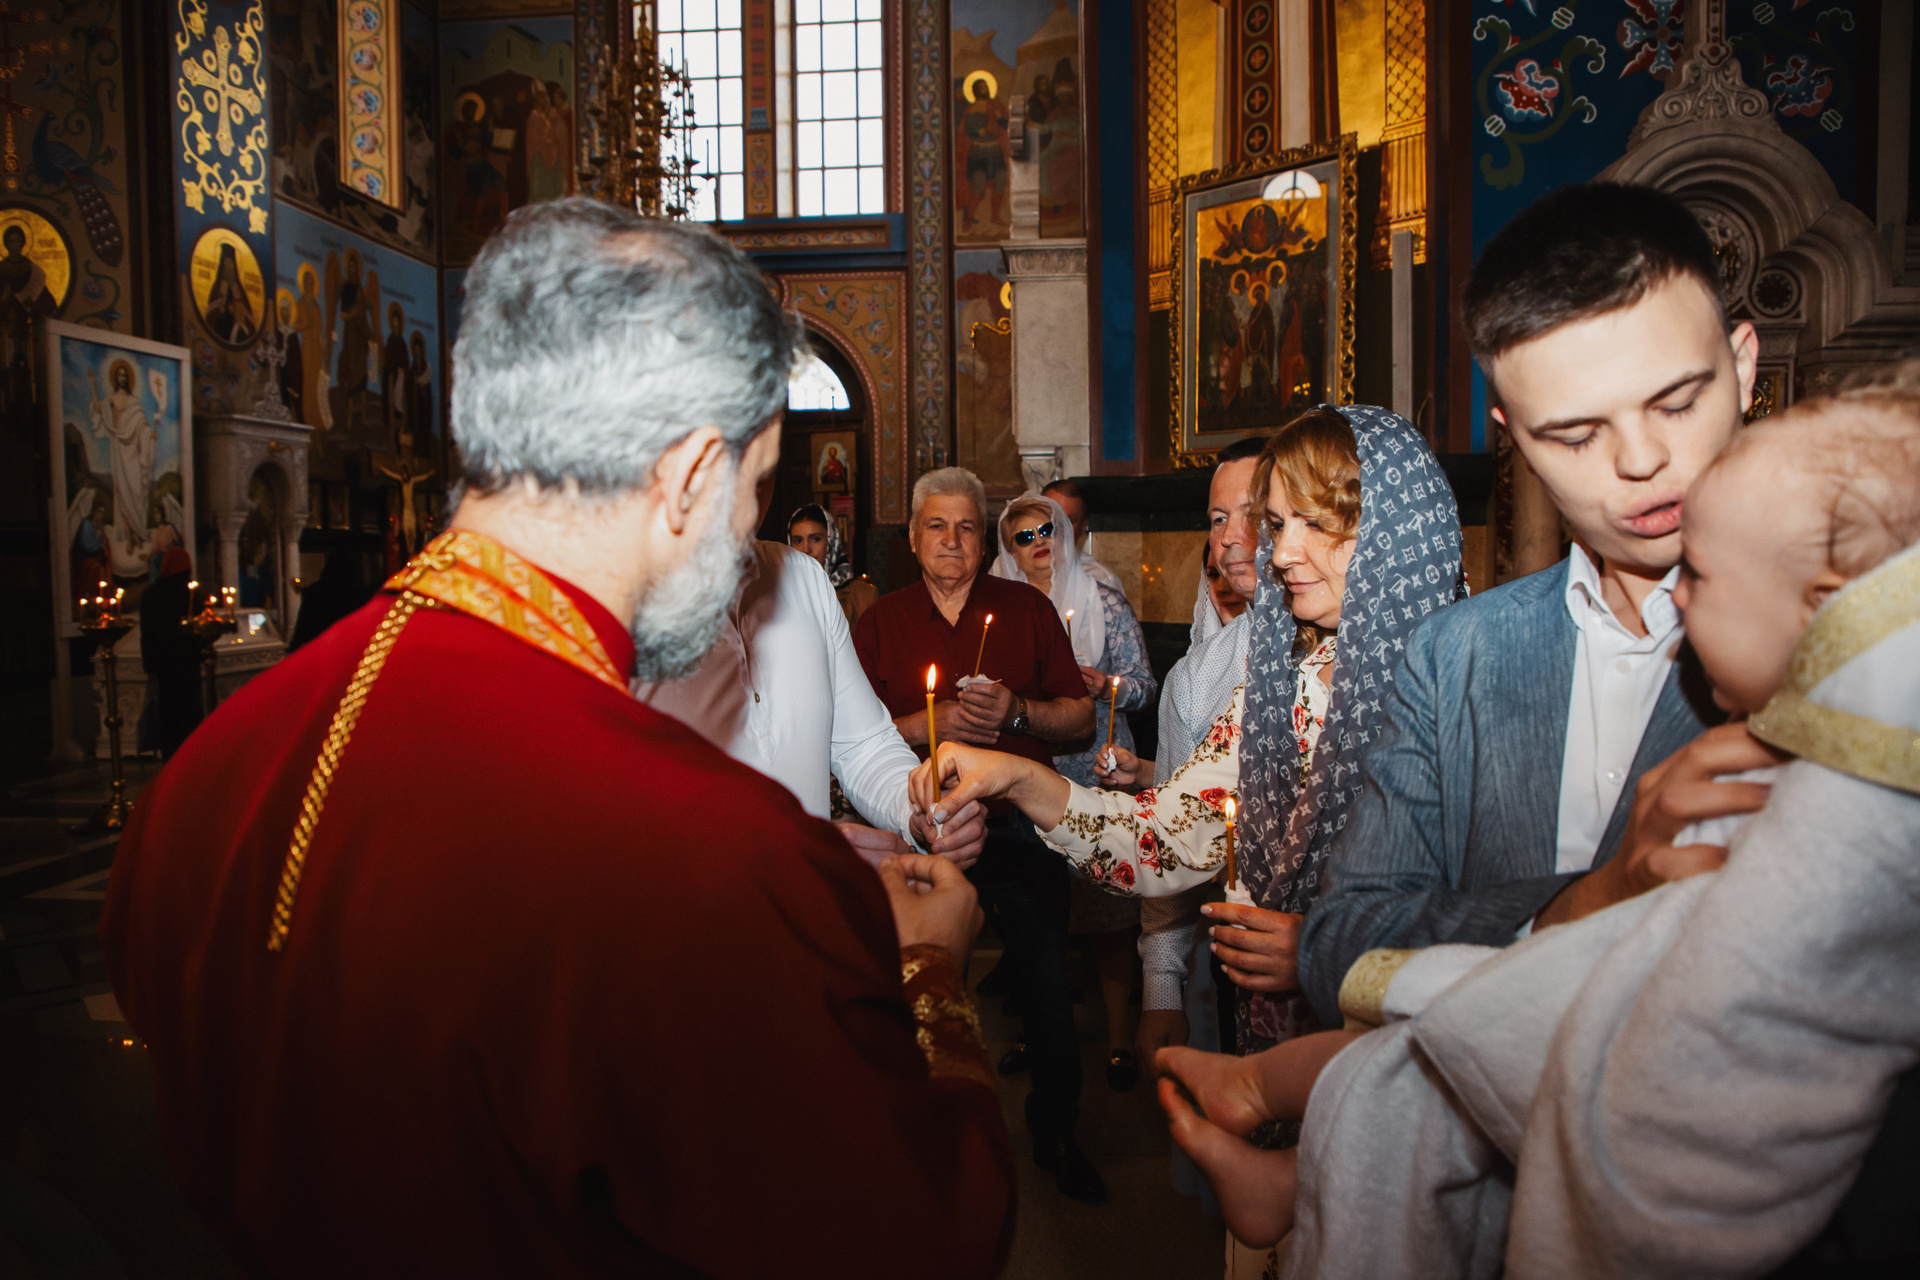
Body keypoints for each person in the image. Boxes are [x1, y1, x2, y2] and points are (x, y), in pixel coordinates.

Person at [100, 200, 1014, 1274]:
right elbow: (918, 1237)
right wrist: (930, 972)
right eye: (755, 485)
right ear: (687, 477)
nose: (749, 533)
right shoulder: (709, 859)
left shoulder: (206, 775)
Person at [1153, 375, 1920, 1276]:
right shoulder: (1447, 655)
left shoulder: (1843, 790)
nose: (1675, 599)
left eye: (1702, 577)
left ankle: (1283, 1145)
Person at [1296, 182, 1779, 1026]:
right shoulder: (1455, 654)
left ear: (1741, 367)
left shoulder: (1847, 636)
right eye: (1576, 434)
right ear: (1513, 433)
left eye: (1676, 402)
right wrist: (1581, 906)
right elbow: (1338, 949)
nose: (1641, 459)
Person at [851, 465, 1100, 1202]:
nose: (952, 540)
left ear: (983, 538)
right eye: (937, 525)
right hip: (922, 830)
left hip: (1021, 828)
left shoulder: (1026, 609)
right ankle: (914, 1137)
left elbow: (1079, 716)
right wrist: (929, 725)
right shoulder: (880, 623)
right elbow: (853, 736)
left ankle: (1058, 1130)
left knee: (1047, 984)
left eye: (966, 527)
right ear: (912, 536)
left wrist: (1015, 712)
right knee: (913, 982)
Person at [638, 509, 987, 869]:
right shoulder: (616, 606)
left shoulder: (804, 579)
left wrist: (917, 809)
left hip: (814, 894)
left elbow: (863, 745)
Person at [993, 492, 1158, 1090]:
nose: (1038, 543)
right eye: (1023, 537)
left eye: (1046, 531)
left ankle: (1118, 1038)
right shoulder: (1003, 611)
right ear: (1009, 551)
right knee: (1040, 913)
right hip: (1033, 770)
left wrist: (1104, 684)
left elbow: (1145, 686)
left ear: (1064, 534)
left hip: (1100, 769)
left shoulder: (1103, 600)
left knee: (1106, 908)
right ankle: (1040, 1031)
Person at [786, 501, 876, 626]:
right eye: (798, 540)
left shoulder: (862, 595)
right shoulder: (780, 594)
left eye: (816, 539)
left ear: (830, 542)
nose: (806, 549)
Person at [1042, 478, 1123, 592]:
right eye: (1050, 518)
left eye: (1068, 521)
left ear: (1083, 527)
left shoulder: (1101, 581)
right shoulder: (1021, 570)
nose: (1057, 527)